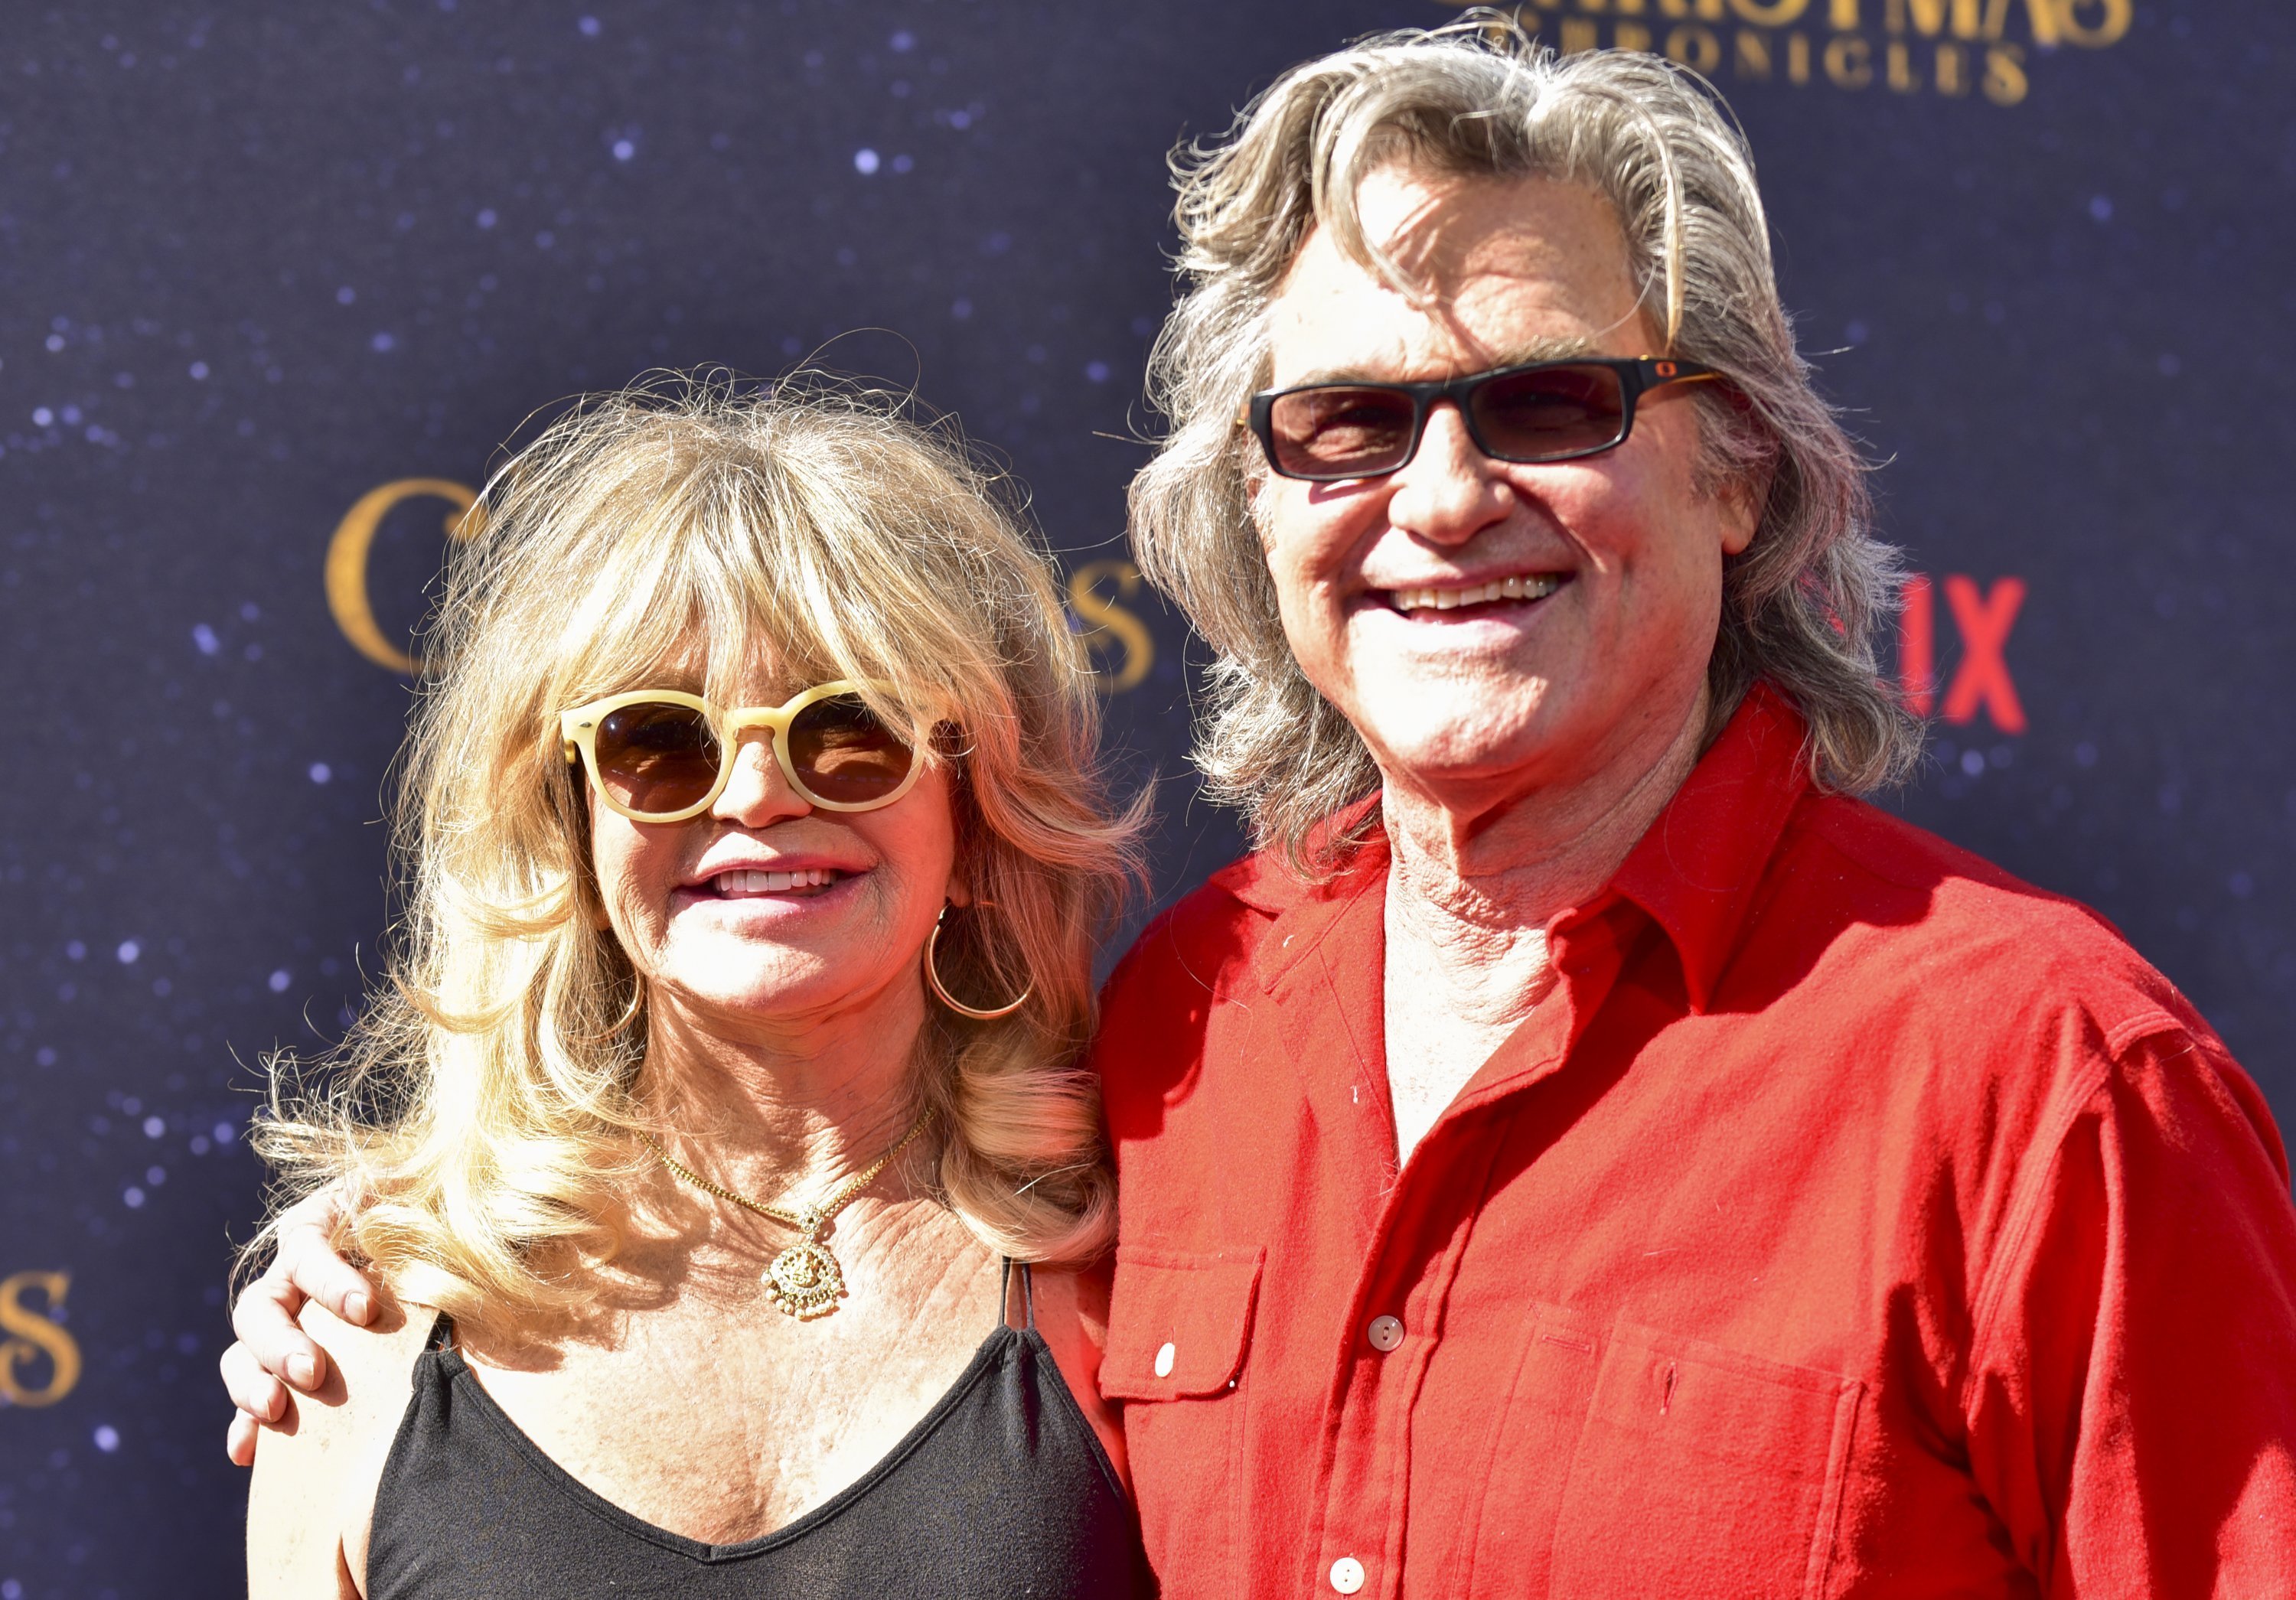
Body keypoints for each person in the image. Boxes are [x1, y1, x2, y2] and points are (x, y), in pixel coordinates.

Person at [227, 27, 2296, 1598]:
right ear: (1259, 507)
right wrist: (361, 1266)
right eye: (1348, 424)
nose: (1443, 495)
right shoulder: (1177, 1043)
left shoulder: (2041, 1074)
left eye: (1550, 402)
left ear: (1737, 471)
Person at [237, 378, 1152, 1598]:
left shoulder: (1141, 1257)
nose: (757, 794)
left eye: (848, 728)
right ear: (569, 823)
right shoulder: (366, 1321)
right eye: (658, 740)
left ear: (975, 805)